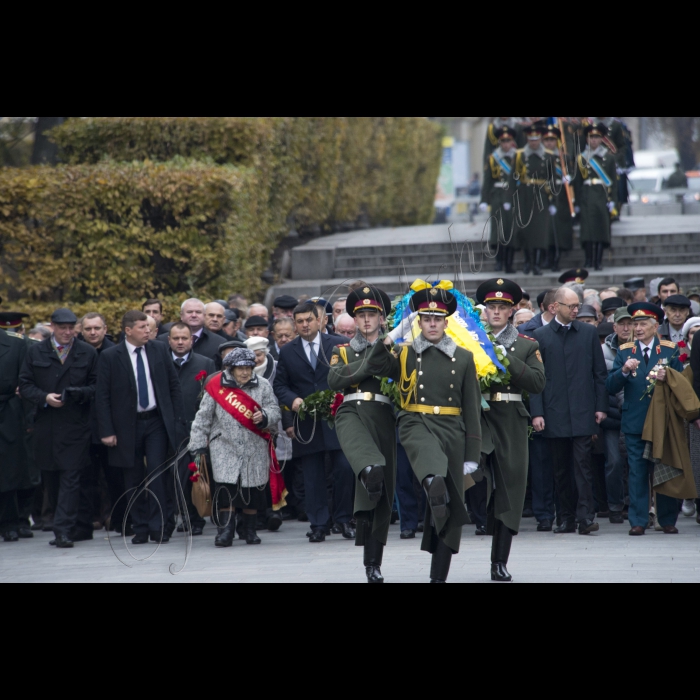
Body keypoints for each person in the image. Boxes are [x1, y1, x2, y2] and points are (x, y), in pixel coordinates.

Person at [367, 282, 482, 584]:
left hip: (453, 430)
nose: (432, 324)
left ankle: (438, 578)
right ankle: (432, 479)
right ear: (418, 322)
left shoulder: (464, 357)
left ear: (446, 322)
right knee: (435, 475)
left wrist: (472, 454)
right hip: (415, 422)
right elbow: (375, 363)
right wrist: (392, 334)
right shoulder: (406, 353)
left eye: (437, 319)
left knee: (450, 507)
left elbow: (472, 408)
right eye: (426, 318)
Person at [475, 279, 546, 582]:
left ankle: (498, 561)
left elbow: (537, 382)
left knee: (510, 491)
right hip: (477, 417)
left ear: (512, 310)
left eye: (502, 307)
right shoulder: (469, 340)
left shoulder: (527, 344)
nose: (496, 311)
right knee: (465, 476)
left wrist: (504, 354)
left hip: (510, 418)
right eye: (491, 306)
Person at [97, 311, 186, 546]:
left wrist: (176, 419)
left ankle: (159, 527)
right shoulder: (110, 356)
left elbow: (173, 385)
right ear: (128, 330)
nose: (148, 330)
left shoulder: (158, 349)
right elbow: (102, 397)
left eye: (148, 326)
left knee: (157, 473)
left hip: (156, 421)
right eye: (142, 327)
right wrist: (107, 430)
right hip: (127, 426)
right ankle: (141, 527)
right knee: (133, 477)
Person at [328, 285, 396, 584]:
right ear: (353, 320)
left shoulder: (396, 348)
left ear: (382, 318)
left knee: (380, 492)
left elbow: (397, 375)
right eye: (361, 315)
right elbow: (336, 380)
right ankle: (370, 565)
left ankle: (373, 564)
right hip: (352, 412)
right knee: (371, 469)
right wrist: (371, 361)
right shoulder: (341, 350)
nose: (366, 320)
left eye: (372, 314)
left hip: (383, 418)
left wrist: (380, 354)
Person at [273, 302, 355, 543]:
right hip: (306, 421)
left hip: (337, 418)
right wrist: (292, 400)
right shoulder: (288, 351)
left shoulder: (339, 344)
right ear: (295, 325)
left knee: (344, 469)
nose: (305, 324)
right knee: (312, 475)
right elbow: (280, 385)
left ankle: (343, 519)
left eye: (309, 319)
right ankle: (319, 523)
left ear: (321, 321)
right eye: (300, 321)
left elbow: (352, 377)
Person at [530, 288, 609, 535]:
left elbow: (599, 374)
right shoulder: (540, 336)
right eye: (571, 306)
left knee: (583, 466)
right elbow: (536, 379)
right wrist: (537, 413)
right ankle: (565, 518)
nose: (576, 310)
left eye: (578, 306)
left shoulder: (587, 332)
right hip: (555, 412)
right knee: (561, 469)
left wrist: (600, 407)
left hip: (583, 410)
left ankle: (585, 518)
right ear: (554, 307)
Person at [19, 308, 98, 549]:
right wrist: (44, 398)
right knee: (51, 477)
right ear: (52, 326)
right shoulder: (36, 351)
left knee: (71, 477)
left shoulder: (87, 351)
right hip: (46, 426)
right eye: (62, 327)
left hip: (75, 426)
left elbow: (97, 386)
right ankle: (60, 522)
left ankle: (63, 529)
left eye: (70, 327)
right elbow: (24, 384)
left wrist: (77, 394)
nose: (67, 332)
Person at [189, 348, 281, 548]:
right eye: (241, 368)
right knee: (226, 488)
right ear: (230, 368)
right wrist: (197, 446)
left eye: (249, 367)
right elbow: (203, 417)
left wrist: (264, 416)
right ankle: (225, 531)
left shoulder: (263, 386)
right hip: (224, 444)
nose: (245, 372)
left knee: (251, 489)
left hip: (254, 445)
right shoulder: (216, 385)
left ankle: (249, 530)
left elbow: (275, 410)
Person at [607, 303, 685, 536]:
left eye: (642, 324)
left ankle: (667, 519)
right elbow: (610, 386)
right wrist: (622, 371)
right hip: (635, 421)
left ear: (655, 326)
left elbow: (682, 385)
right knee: (637, 471)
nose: (637, 329)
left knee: (664, 468)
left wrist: (668, 376)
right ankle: (638, 520)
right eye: (634, 324)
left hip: (663, 422)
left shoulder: (669, 350)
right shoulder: (625, 351)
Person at [169, 323, 215, 537]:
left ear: (191, 340)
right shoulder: (162, 363)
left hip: (197, 429)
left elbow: (214, 399)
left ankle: (197, 518)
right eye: (176, 338)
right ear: (169, 340)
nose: (180, 342)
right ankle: (182, 515)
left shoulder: (205, 363)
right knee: (176, 476)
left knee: (196, 474)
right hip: (169, 430)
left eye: (184, 338)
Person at [0, 313, 34, 543]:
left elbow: (27, 382)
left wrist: (29, 418)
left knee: (10, 471)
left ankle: (11, 521)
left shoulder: (16, 343)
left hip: (8, 414)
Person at [513, 122, 557, 276]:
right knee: (525, 231)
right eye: (531, 139)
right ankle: (527, 262)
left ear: (540, 139)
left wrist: (552, 200)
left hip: (541, 195)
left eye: (536, 139)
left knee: (540, 232)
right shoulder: (519, 155)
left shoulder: (549, 156)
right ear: (527, 139)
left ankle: (537, 264)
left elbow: (552, 179)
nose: (533, 142)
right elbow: (514, 178)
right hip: (524, 194)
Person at [575, 123, 618, 271]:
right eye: (591, 137)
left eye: (597, 137)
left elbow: (613, 181)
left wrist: (613, 201)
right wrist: (576, 201)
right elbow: (577, 183)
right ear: (587, 139)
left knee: (600, 229)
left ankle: (598, 260)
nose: (594, 140)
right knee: (587, 230)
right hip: (586, 196)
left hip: (602, 196)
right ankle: (588, 259)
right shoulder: (581, 158)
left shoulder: (609, 158)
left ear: (601, 139)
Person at [480, 126, 518, 273]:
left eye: (508, 141)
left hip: (513, 196)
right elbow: (487, 180)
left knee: (511, 230)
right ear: (499, 142)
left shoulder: (518, 157)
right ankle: (499, 261)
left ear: (512, 141)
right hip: (497, 195)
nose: (506, 144)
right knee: (497, 230)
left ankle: (509, 263)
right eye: (503, 141)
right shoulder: (493, 158)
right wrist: (484, 199)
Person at [542, 124, 575, 272]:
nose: (549, 142)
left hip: (561, 200)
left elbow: (574, 179)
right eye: (546, 140)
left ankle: (557, 258)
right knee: (547, 232)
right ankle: (548, 258)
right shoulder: (541, 157)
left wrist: (568, 178)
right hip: (544, 198)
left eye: (552, 140)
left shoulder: (564, 158)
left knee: (560, 231)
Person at [158, 299, 226, 361]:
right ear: (181, 315)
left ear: (204, 316)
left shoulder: (219, 343)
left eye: (198, 312)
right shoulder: (162, 341)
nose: (194, 315)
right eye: (189, 312)